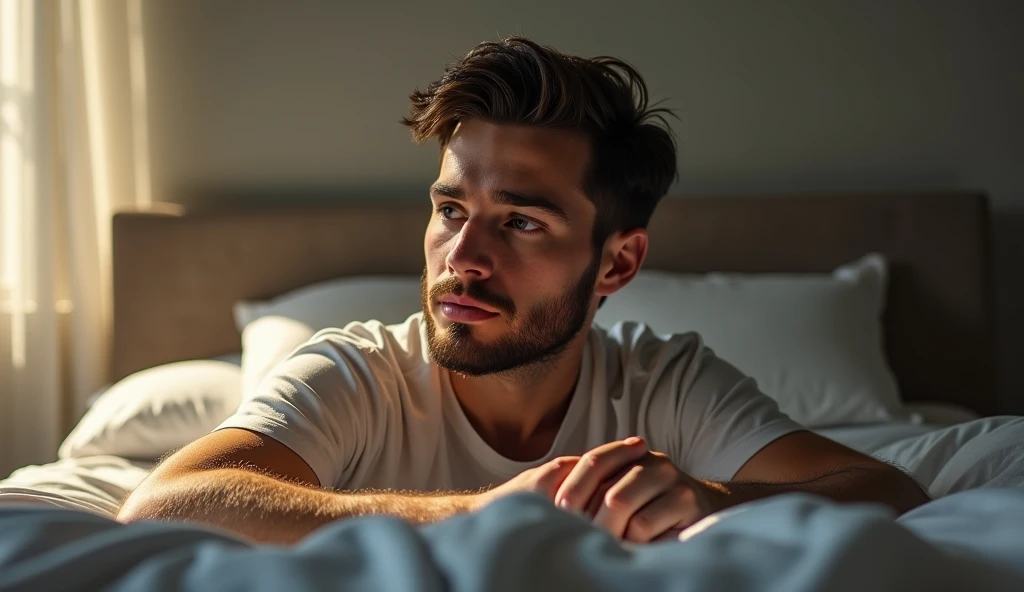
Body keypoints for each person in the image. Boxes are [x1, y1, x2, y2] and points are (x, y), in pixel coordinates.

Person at [117, 37, 929, 544]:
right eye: (449, 209)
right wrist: (483, 510)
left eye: (522, 222)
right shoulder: (360, 374)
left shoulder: (665, 383)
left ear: (616, 263)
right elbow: (169, 503)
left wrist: (711, 494)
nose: (461, 256)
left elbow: (887, 486)